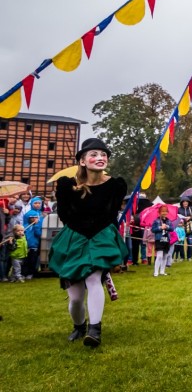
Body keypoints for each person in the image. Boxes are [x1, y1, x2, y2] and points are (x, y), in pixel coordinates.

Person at [48, 138, 129, 347]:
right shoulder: (67, 185)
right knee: (75, 298)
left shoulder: (115, 185)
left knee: (94, 279)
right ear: (82, 161)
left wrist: (100, 235)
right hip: (74, 237)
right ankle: (79, 326)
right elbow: (65, 215)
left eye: (104, 155)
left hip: (101, 236)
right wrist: (82, 232)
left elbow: (111, 214)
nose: (100, 158)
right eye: (94, 154)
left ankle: (95, 331)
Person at [23, 197, 44, 278]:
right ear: (32, 204)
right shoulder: (33, 214)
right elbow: (37, 228)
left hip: (32, 238)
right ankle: (28, 273)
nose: (37, 205)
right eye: (35, 203)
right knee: (31, 257)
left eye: (39, 203)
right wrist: (41, 234)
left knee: (32, 257)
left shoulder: (39, 213)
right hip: (32, 238)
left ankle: (30, 272)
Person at [151, 206, 174, 277]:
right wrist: (160, 227)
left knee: (165, 256)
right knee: (159, 256)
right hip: (159, 239)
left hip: (166, 239)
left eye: (165, 211)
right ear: (159, 212)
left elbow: (172, 229)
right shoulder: (156, 221)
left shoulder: (169, 221)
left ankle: (162, 271)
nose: (164, 213)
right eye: (162, 211)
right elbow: (153, 229)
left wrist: (167, 227)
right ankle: (156, 272)